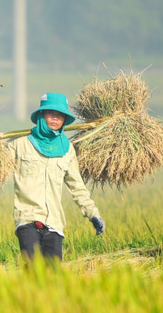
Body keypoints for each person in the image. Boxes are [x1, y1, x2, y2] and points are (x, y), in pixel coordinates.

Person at [8, 93, 105, 263]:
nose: (55, 118)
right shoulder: (20, 144)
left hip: (55, 224)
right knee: (34, 269)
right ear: (41, 115)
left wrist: (93, 214)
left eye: (60, 115)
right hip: (27, 219)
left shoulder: (67, 149)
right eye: (50, 113)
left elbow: (77, 187)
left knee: (53, 278)